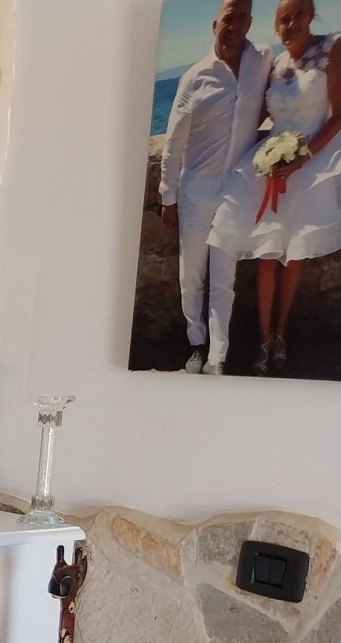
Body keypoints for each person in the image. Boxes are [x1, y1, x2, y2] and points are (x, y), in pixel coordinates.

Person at [210, 0, 341, 373]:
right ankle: (264, 339)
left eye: (298, 15)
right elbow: (258, 112)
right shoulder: (276, 65)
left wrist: (303, 158)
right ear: (276, 25)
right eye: (283, 19)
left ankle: (282, 332)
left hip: (312, 162)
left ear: (311, 15)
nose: (290, 24)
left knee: (293, 255)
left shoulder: (332, 47)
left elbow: (339, 113)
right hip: (273, 162)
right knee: (266, 255)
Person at [159, 0, 272, 374]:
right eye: (228, 18)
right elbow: (174, 142)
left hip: (237, 190)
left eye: (242, 18)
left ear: (250, 23)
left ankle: (216, 358)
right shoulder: (195, 77)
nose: (235, 25)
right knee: (191, 274)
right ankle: (195, 341)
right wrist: (168, 197)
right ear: (214, 24)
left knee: (225, 278)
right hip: (195, 189)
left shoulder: (261, 63)